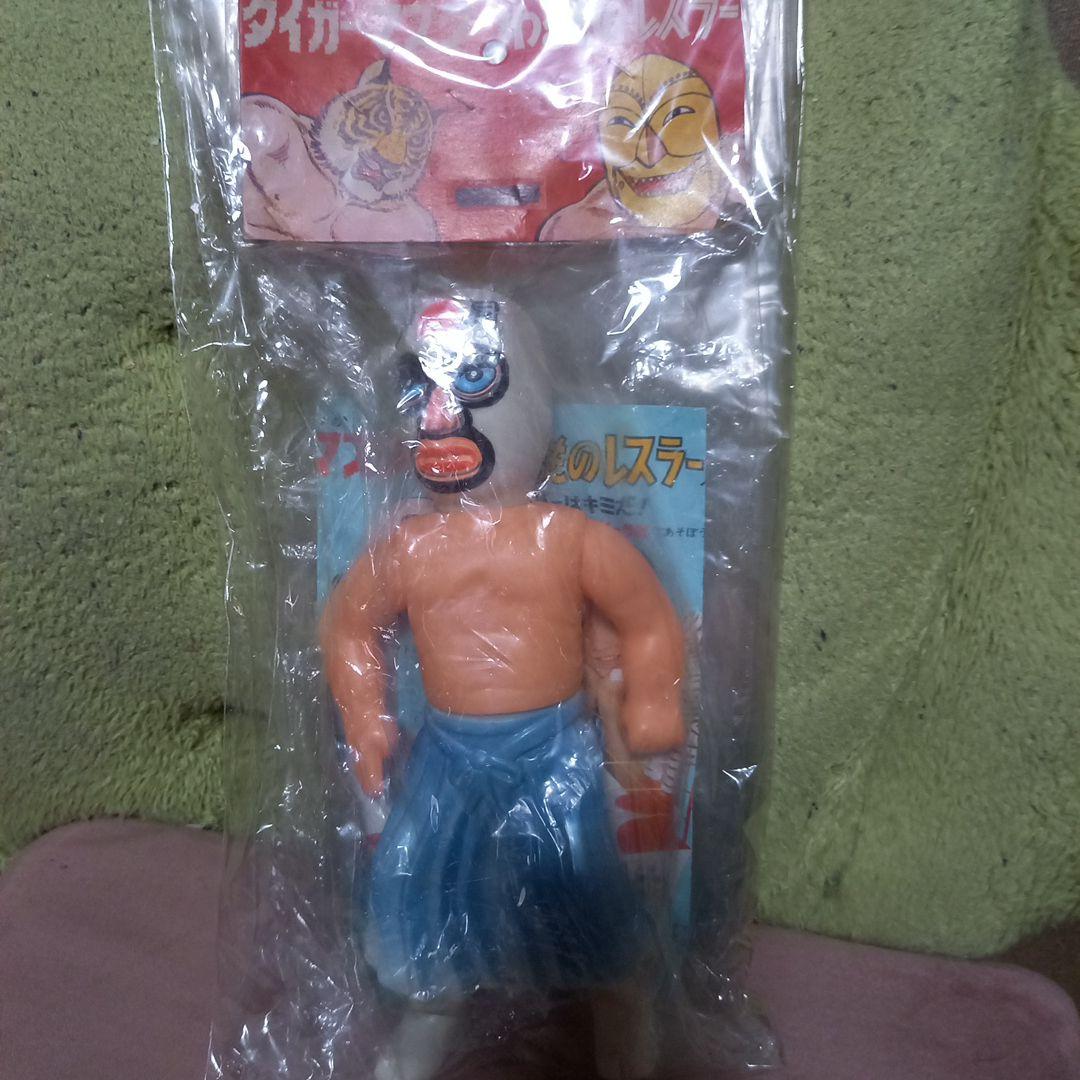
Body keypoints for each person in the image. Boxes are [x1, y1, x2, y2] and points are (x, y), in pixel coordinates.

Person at [321, 296, 685, 1080]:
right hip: (447, 756)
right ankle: (430, 1013)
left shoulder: (568, 537)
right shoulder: (408, 548)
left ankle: (621, 1004)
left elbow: (647, 616)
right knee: (421, 882)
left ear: (528, 400)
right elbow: (348, 626)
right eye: (423, 388)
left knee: (585, 887)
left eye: (472, 382)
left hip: (555, 751)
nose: (441, 414)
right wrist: (366, 717)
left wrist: (653, 700)